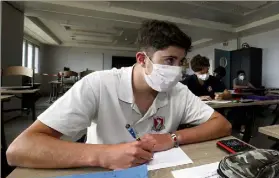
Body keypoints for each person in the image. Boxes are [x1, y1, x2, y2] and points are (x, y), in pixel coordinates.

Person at [6, 20, 232, 170]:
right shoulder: (98, 84)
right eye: (169, 61)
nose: (177, 70)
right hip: (102, 175)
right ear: (143, 59)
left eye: (181, 62)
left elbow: (221, 125)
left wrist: (174, 138)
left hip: (158, 174)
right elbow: (20, 149)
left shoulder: (178, 91)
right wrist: (103, 155)